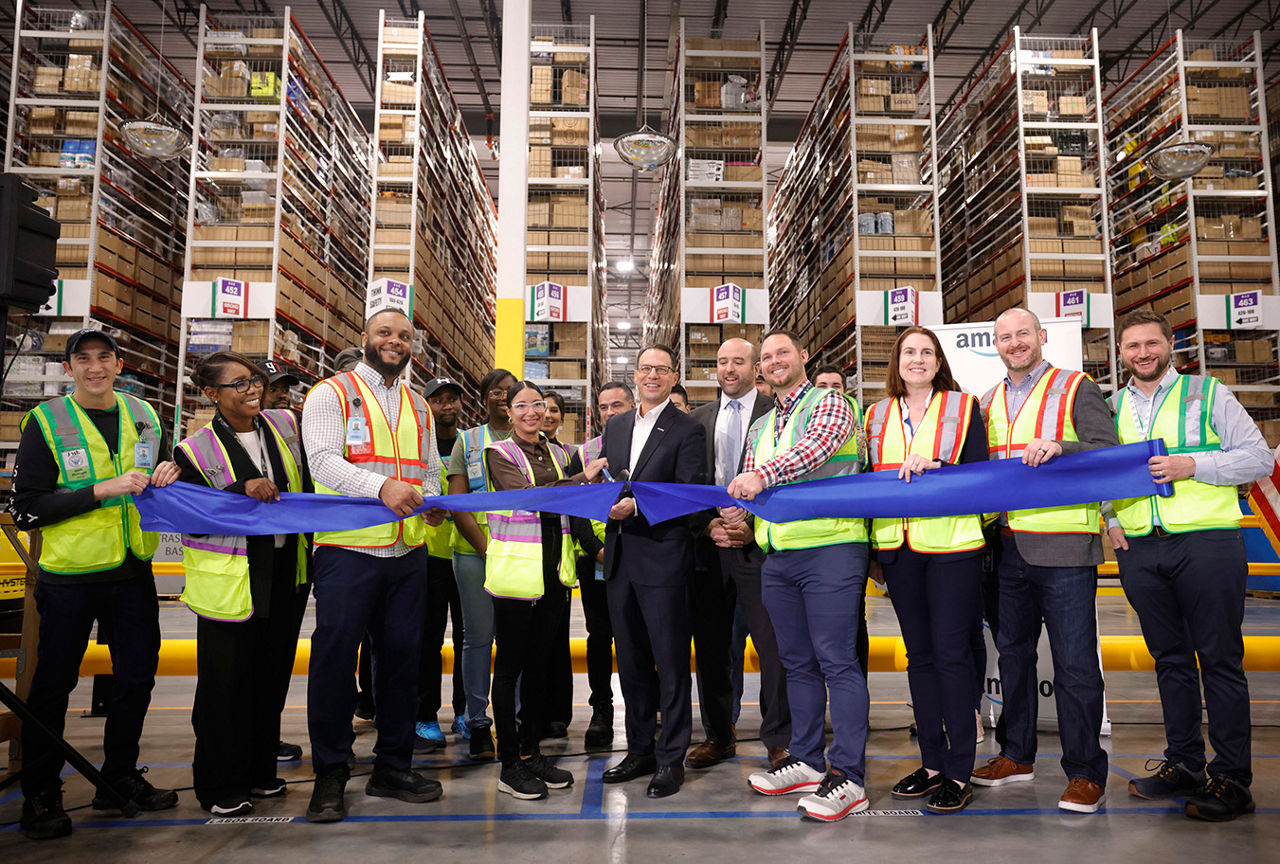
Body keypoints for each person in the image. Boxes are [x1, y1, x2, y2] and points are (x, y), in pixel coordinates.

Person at [10, 329, 181, 840]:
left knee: (137, 678)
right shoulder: (45, 422)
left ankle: (118, 779)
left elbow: (159, 475)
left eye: (103, 357)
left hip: (132, 570)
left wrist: (171, 472)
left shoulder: (146, 415)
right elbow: (26, 509)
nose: (94, 367)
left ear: (119, 362)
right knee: (53, 685)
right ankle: (41, 794)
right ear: (69, 369)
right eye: (82, 359)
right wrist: (100, 490)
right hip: (70, 577)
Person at [1105, 310, 1271, 822]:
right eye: (1132, 347)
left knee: (1219, 660)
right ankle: (1184, 764)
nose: (1142, 354)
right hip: (1140, 548)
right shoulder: (1111, 406)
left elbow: (1259, 457)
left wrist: (1193, 465)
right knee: (1170, 661)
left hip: (1207, 543)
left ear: (1169, 345)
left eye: (1151, 344)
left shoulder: (1209, 393)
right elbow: (1103, 472)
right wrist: (1111, 520)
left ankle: (1232, 779)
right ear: (1121, 353)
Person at [301, 309, 447, 823]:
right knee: (336, 663)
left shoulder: (418, 405)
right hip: (348, 550)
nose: (394, 341)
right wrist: (382, 488)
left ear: (413, 347)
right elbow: (321, 460)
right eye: (385, 333)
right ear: (365, 338)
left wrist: (430, 498)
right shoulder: (330, 394)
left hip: (407, 552)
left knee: (403, 660)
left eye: (404, 336)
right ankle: (331, 773)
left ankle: (392, 764)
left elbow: (429, 469)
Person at [971, 307, 1117, 814]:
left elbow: (1107, 452)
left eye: (1022, 334)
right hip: (1007, 546)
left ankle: (1084, 772)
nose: (1014, 343)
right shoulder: (987, 401)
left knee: (1076, 664)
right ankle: (1017, 755)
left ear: (1041, 336)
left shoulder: (1076, 387)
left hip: (1064, 546)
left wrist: (1062, 446)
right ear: (997, 344)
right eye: (1004, 337)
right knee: (1013, 656)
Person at [727, 330, 871, 823]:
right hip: (779, 554)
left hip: (831, 548)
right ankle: (807, 760)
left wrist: (762, 478)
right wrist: (734, 516)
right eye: (765, 357)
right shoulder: (764, 423)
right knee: (796, 662)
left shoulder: (831, 403)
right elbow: (746, 480)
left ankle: (849, 777)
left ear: (804, 357)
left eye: (782, 353)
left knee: (836, 660)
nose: (773, 362)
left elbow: (817, 448)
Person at [174, 352, 311, 817]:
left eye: (253, 381)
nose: (252, 390)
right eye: (238, 385)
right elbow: (190, 513)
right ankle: (218, 784)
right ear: (212, 395)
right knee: (224, 686)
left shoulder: (285, 430)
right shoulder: (193, 451)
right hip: (233, 582)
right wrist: (241, 489)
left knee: (270, 679)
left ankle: (258, 770)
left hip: (285, 574)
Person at [864, 327, 987, 815]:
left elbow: (980, 474)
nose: (917, 360)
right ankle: (932, 763)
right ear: (896, 361)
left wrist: (938, 466)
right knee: (920, 658)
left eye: (926, 353)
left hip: (953, 546)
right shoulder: (874, 414)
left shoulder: (963, 406)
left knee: (953, 656)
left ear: (939, 362)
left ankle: (960, 770)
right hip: (899, 546)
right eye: (909, 352)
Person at [483, 381, 607, 799]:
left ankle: (531, 753)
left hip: (554, 577)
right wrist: (579, 480)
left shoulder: (559, 453)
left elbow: (576, 509)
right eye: (522, 405)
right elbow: (526, 497)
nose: (532, 412)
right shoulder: (498, 454)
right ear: (509, 412)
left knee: (538, 668)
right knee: (510, 671)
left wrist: (601, 546)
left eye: (538, 404)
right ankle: (508, 764)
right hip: (517, 577)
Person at [600, 345, 707, 799]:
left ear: (672, 376)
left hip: (663, 557)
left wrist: (637, 507)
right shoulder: (617, 425)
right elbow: (613, 481)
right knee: (632, 661)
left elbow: (688, 494)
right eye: (645, 368)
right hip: (621, 558)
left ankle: (670, 757)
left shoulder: (688, 429)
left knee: (670, 662)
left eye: (661, 370)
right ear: (635, 374)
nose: (652, 376)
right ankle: (640, 748)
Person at [688, 337, 791, 771]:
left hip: (761, 546)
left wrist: (752, 528)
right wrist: (708, 524)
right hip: (710, 549)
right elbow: (690, 482)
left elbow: (790, 477)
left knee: (773, 645)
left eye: (738, 362)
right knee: (713, 646)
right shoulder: (697, 420)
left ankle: (779, 738)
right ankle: (719, 735)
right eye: (722, 362)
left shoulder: (779, 414)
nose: (729, 369)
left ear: (757, 368)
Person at [447, 367, 516, 759]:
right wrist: (488, 549)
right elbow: (458, 503)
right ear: (484, 397)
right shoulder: (467, 441)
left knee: (516, 639)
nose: (503, 398)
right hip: (475, 553)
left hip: (521, 553)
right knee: (477, 639)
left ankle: (517, 721)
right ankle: (477, 722)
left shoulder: (531, 439)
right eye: (495, 391)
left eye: (511, 392)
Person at [564, 382, 635, 749]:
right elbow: (576, 509)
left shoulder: (645, 448)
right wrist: (597, 550)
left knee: (636, 637)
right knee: (599, 637)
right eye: (604, 407)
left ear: (633, 406)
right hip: (596, 563)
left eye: (618, 405)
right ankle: (601, 710)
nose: (610, 412)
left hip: (638, 560)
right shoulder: (585, 453)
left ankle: (642, 708)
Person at [257, 358, 308, 764]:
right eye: (274, 388)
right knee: (247, 662)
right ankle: (245, 743)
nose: (281, 395)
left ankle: (266, 738)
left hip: (291, 562)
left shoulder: (294, 429)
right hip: (248, 568)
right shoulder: (222, 439)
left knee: (278, 660)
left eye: (284, 389)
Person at [416, 376, 468, 751]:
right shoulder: (418, 445)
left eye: (452, 399)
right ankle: (425, 715)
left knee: (470, 638)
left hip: (466, 551)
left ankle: (466, 712)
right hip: (428, 553)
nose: (447, 406)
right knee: (428, 639)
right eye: (439, 400)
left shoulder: (469, 443)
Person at [813, 365, 870, 678]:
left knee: (853, 623)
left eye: (837, 385)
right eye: (823, 385)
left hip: (849, 537)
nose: (831, 390)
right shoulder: (802, 421)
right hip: (810, 535)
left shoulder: (861, 420)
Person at [540, 390, 575, 738]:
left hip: (561, 555)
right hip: (527, 556)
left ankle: (557, 715)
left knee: (558, 639)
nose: (548, 415)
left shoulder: (570, 454)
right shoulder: (516, 453)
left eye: (554, 410)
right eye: (542, 408)